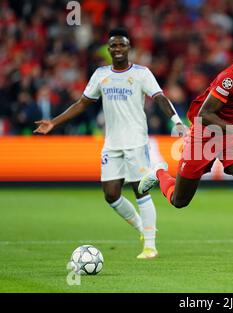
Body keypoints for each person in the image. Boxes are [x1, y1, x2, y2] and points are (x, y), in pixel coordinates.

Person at [33, 28, 185, 259]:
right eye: (113, 45)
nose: (117, 49)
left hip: (136, 141)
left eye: (121, 45)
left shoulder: (142, 73)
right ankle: (141, 229)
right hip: (112, 143)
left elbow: (160, 98)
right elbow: (82, 103)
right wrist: (54, 122)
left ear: (129, 48)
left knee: (140, 191)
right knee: (111, 194)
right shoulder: (101, 74)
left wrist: (176, 121)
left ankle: (150, 246)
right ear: (109, 49)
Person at [138, 39, 233, 271]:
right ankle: (159, 171)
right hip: (205, 133)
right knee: (179, 201)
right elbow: (205, 114)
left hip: (232, 137)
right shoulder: (230, 78)